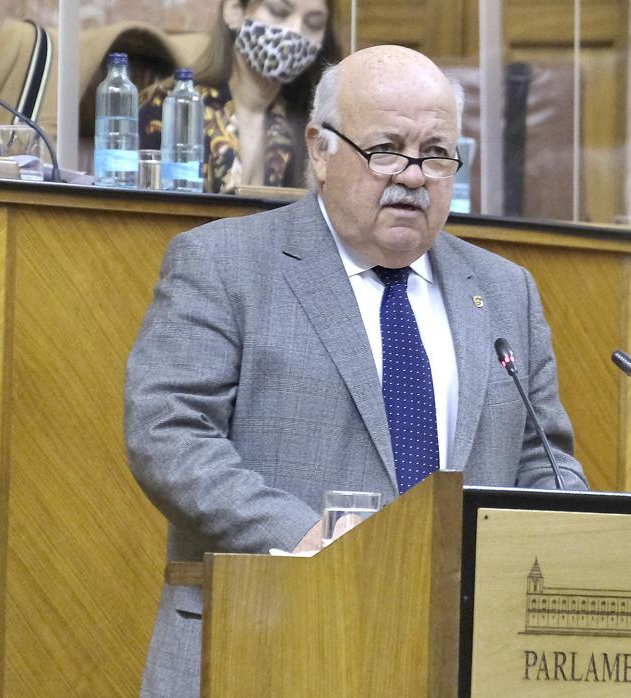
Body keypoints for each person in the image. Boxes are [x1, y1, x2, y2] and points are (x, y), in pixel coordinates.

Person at [124, 44, 589, 696]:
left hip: (456, 657)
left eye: (435, 154)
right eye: (387, 149)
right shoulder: (225, 265)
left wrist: (567, 543)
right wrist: (310, 539)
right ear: (319, 149)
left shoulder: (506, 290)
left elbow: (545, 462)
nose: (413, 175)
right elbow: (168, 434)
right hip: (265, 637)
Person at [137, 0, 340, 193]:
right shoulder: (168, 107)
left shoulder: (317, 130)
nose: (295, 31)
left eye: (314, 24)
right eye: (279, 11)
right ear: (234, 10)